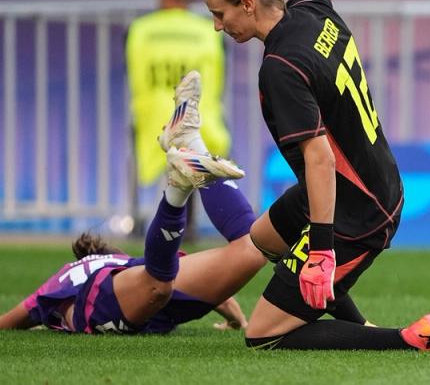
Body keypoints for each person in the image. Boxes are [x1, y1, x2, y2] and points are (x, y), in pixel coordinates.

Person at [200, 0, 430, 351]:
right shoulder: (311, 8)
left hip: (360, 206)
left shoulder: (281, 67)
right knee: (265, 240)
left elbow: (318, 157)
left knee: (264, 335)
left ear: (248, 4)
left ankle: (405, 339)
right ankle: (354, 317)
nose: (217, 26)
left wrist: (320, 249)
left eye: (220, 14)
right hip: (368, 180)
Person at [0, 72, 265, 334]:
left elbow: (11, 320)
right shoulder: (122, 263)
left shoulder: (62, 284)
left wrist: (233, 317)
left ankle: (180, 183)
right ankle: (192, 143)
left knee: (162, 283)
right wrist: (235, 320)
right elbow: (213, 288)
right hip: (145, 280)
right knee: (251, 249)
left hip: (116, 297)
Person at [126, 0, 231, 238]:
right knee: (193, 169)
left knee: (150, 169)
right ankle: (191, 227)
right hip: (200, 117)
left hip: (153, 117)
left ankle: (141, 225)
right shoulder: (209, 31)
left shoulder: (139, 30)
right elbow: (220, 73)